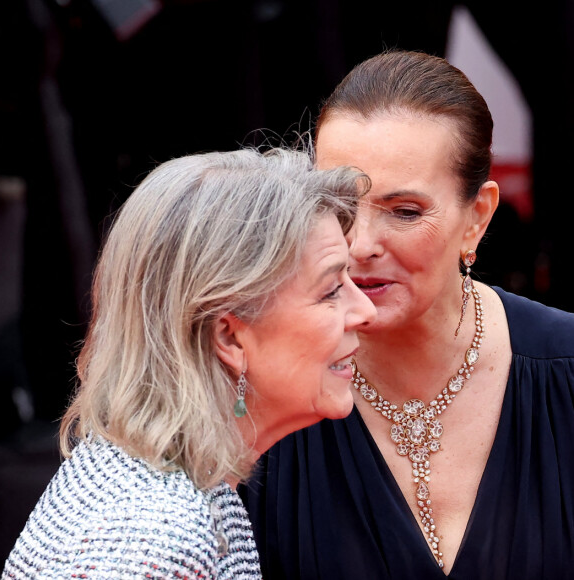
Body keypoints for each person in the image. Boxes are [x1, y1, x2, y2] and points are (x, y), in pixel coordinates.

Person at [239, 50, 574, 579]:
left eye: (405, 212)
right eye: (341, 208)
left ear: (477, 217)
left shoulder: (566, 368)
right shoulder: (255, 397)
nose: (362, 244)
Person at [1, 146, 376, 579]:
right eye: (330, 290)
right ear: (229, 337)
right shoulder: (157, 540)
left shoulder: (165, 482)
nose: (364, 309)